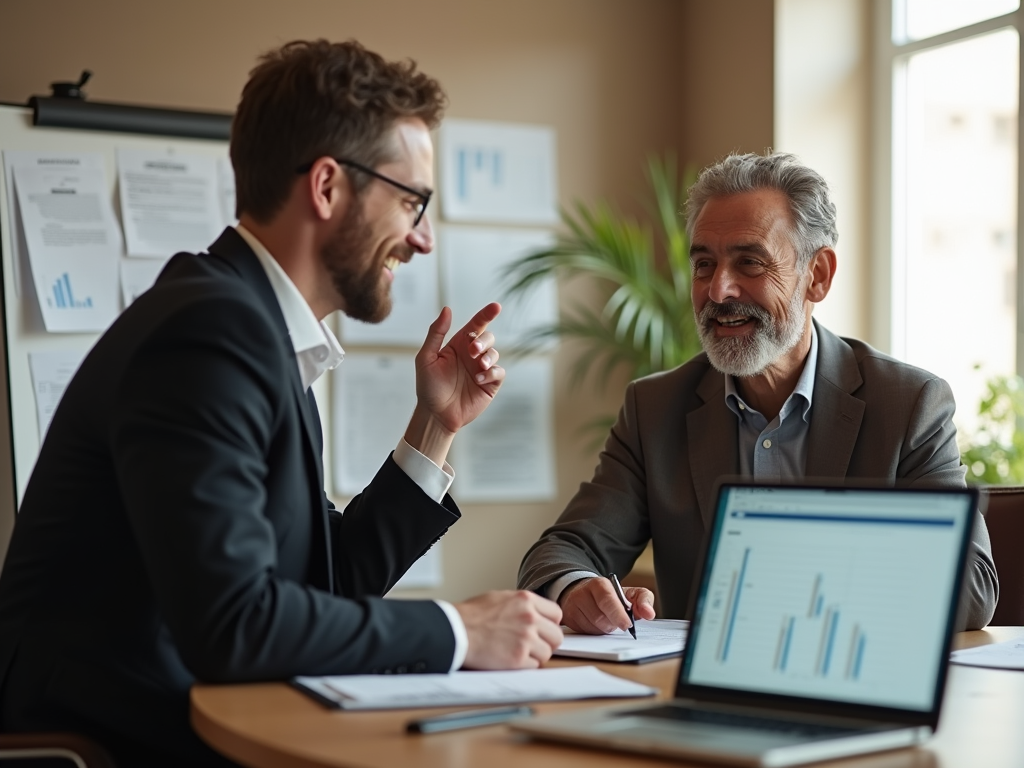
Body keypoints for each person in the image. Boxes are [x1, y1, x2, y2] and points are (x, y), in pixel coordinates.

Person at [0, 40, 562, 767]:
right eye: (411, 202)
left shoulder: (247, 325)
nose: (422, 239)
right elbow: (235, 625)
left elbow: (317, 581)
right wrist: (459, 631)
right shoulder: (210, 331)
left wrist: (435, 427)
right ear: (327, 187)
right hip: (105, 742)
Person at [518, 151, 998, 637]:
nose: (719, 290)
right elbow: (561, 552)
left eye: (749, 262)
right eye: (704, 264)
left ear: (819, 275)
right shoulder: (655, 409)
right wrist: (578, 588)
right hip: (702, 697)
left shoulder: (908, 404)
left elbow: (971, 589)